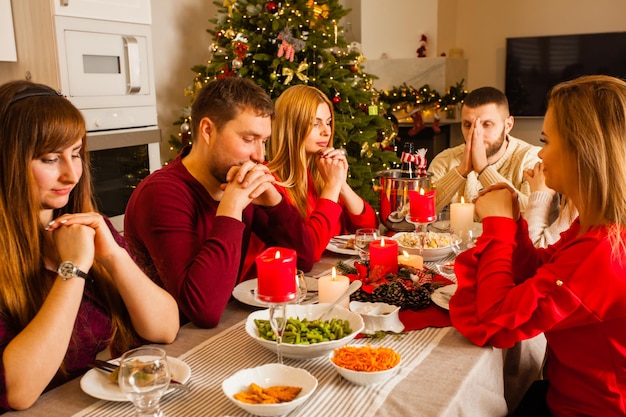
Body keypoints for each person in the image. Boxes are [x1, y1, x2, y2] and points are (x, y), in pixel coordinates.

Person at [449, 75, 626, 416]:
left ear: (584, 150)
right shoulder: (599, 228)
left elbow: (496, 320)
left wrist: (498, 227)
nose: (540, 153)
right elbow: (543, 272)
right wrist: (514, 228)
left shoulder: (604, 252)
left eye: (546, 140)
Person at [0, 80, 180, 412]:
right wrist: (74, 269)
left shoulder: (89, 228)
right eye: (51, 158)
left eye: (76, 154)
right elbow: (18, 391)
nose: (72, 174)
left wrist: (111, 254)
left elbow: (165, 328)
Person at [124, 78, 314, 329]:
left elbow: (303, 259)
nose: (260, 156)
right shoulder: (162, 193)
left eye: (264, 141)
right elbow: (202, 311)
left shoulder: (236, 177)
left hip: (221, 329)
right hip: (165, 351)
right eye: (248, 138)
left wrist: (274, 202)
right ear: (207, 130)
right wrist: (231, 209)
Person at [266, 85, 378, 261]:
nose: (327, 131)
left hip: (334, 275)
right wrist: (332, 187)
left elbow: (368, 230)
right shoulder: (270, 182)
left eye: (328, 122)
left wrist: (341, 184)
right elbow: (310, 251)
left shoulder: (321, 173)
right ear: (292, 127)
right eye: (315, 124)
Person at [428, 86, 541, 213]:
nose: (475, 133)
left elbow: (534, 215)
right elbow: (415, 212)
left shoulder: (531, 158)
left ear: (508, 125)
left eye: (487, 124)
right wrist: (461, 171)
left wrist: (484, 170)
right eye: (468, 125)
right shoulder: (446, 159)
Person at [523, 161, 578, 248]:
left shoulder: (585, 201)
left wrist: (540, 194)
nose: (539, 153)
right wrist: (550, 199)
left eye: (548, 146)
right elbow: (555, 239)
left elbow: (533, 253)